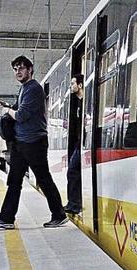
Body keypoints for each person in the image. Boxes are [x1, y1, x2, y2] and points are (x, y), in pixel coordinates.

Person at [0, 55, 68, 229]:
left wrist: (7, 110)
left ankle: (59, 214)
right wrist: (10, 108)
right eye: (15, 69)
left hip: (33, 142)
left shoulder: (33, 88)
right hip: (21, 142)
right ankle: (6, 218)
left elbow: (21, 115)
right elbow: (19, 110)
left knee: (43, 178)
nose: (18, 72)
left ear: (30, 69)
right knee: (14, 180)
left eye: (21, 68)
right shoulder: (24, 89)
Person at [63, 74, 83, 215]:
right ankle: (73, 203)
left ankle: (75, 204)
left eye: (73, 83)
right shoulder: (77, 103)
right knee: (73, 171)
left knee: (73, 171)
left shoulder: (85, 103)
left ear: (80, 85)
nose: (71, 86)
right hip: (78, 142)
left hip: (83, 143)